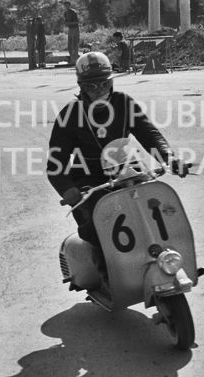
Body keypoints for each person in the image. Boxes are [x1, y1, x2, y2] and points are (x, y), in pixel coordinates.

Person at [46, 52, 189, 251]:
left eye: (103, 84)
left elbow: (150, 135)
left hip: (128, 172)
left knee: (160, 213)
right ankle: (105, 274)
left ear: (111, 83)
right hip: (89, 181)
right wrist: (67, 189)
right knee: (98, 231)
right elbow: (55, 164)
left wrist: (169, 158)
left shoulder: (124, 103)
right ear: (81, 86)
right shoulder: (70, 115)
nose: (99, 91)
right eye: (91, 86)